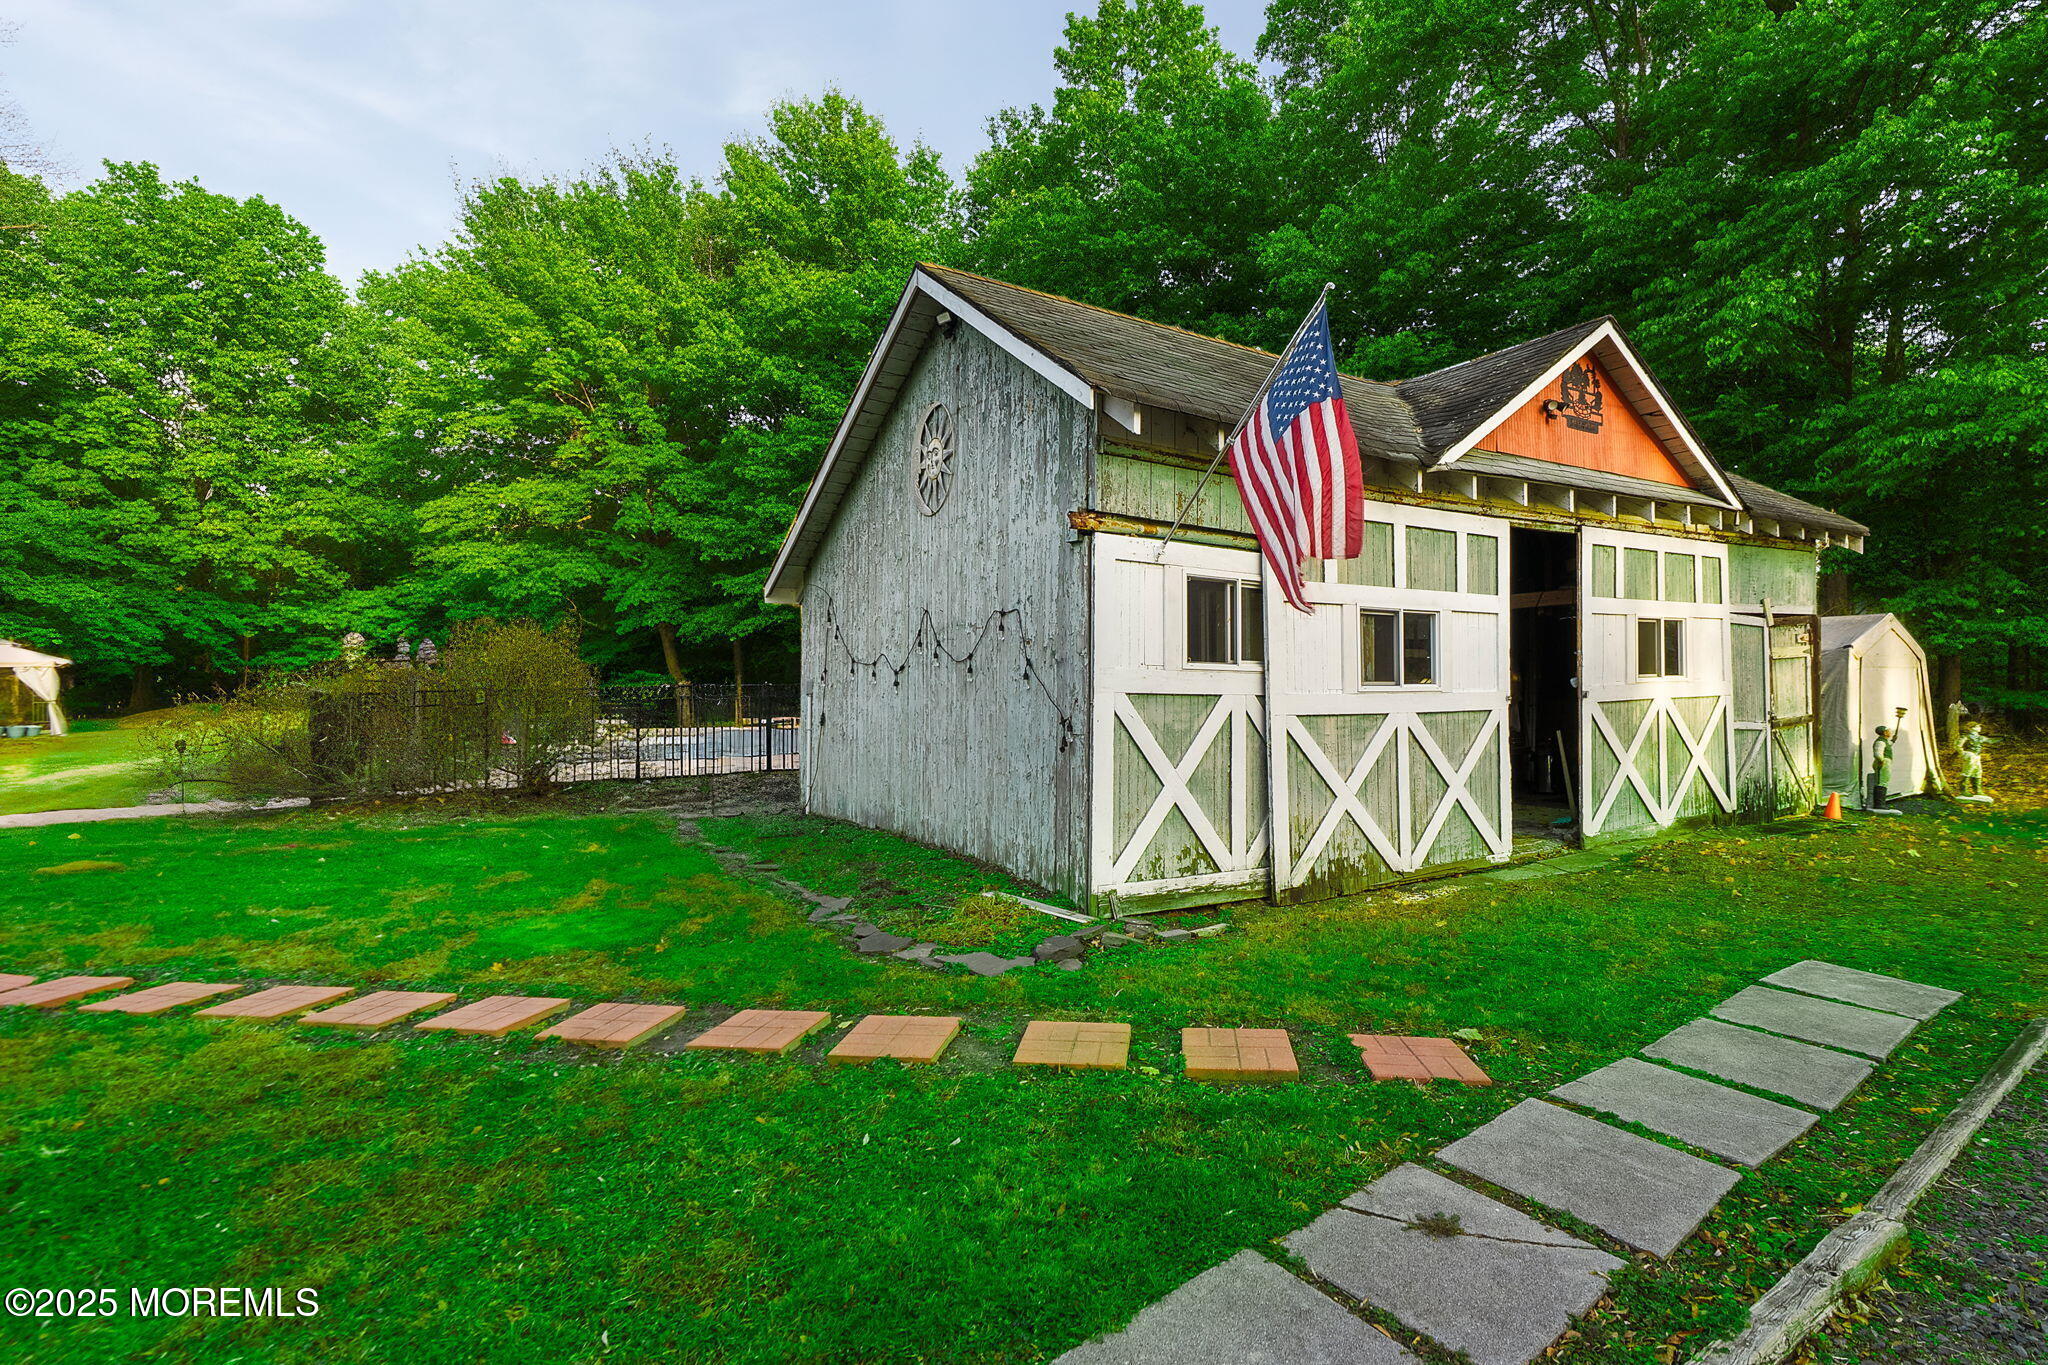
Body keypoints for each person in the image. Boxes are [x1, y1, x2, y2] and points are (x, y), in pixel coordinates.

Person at [1956, 721, 1994, 803]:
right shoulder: (1966, 736)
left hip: (1977, 756)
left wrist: (2002, 738)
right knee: (1967, 771)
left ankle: (1977, 790)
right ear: (1972, 728)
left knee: (1978, 771)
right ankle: (1963, 789)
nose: (1979, 728)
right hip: (1970, 755)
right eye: (1977, 726)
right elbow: (1958, 745)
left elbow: (1990, 741)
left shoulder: (1979, 737)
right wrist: (1963, 753)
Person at [1868, 725, 1900, 814]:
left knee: (1883, 781)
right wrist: (1881, 761)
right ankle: (1879, 804)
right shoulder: (1880, 742)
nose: (1890, 732)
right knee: (1882, 781)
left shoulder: (1884, 741)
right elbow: (1878, 753)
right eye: (1888, 731)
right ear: (1885, 733)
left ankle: (1880, 803)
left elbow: (1888, 745)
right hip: (1884, 762)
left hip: (1884, 762)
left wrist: (1893, 740)